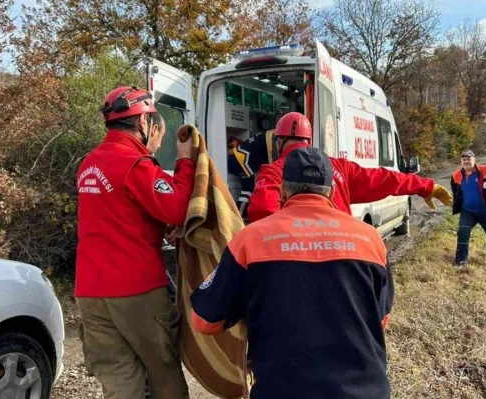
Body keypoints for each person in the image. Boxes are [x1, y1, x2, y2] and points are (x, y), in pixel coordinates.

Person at [191, 146, 395, 399]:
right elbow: (381, 319)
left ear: (283, 191)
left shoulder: (249, 241)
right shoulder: (370, 239)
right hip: (366, 392)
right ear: (331, 191)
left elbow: (204, 320)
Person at [75, 86, 192, 399]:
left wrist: (157, 225)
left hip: (90, 291)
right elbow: (178, 205)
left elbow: (118, 214)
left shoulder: (90, 163)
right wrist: (184, 162)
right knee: (164, 373)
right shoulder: (135, 163)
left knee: (119, 381)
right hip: (135, 290)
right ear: (143, 122)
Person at [247, 112, 453, 223]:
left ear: (278, 142)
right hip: (340, 258)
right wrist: (425, 186)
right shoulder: (338, 167)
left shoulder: (273, 172)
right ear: (309, 140)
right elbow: (384, 178)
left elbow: (263, 214)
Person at [450, 150, 486, 270]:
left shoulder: (485, 170)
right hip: (467, 211)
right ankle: (461, 261)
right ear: (461, 161)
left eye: (468, 159)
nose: (466, 161)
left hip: (485, 210)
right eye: (464, 159)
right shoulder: (456, 175)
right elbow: (455, 191)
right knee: (463, 234)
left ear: (474, 160)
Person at [227, 130, 276, 224]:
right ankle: (239, 217)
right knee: (247, 190)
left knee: (248, 189)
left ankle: (241, 216)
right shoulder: (274, 138)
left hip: (237, 158)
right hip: (241, 160)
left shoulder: (269, 134)